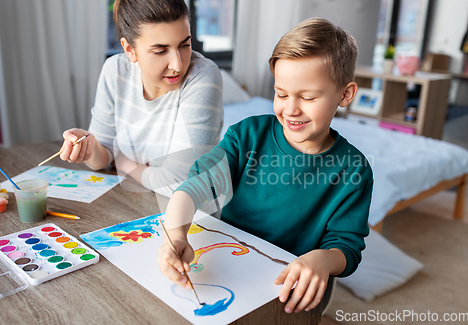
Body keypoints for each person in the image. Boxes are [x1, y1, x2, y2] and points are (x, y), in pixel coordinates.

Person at [157, 18, 373, 314]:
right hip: (227, 266)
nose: (291, 109)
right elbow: (194, 186)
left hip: (285, 289)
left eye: (308, 97)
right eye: (281, 93)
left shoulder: (354, 170)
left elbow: (346, 246)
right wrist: (176, 235)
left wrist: (323, 260)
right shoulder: (246, 136)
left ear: (345, 94)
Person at [59, 0, 223, 197]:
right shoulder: (115, 71)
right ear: (129, 50)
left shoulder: (202, 77)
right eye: (160, 50)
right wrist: (89, 147)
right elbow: (103, 158)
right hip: (134, 202)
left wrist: (125, 164)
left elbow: (181, 183)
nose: (178, 65)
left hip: (193, 216)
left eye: (184, 45)